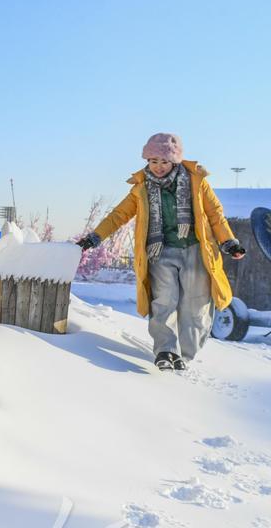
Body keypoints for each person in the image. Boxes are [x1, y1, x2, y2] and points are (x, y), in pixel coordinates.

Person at [78, 133, 245, 371]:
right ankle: (166, 350)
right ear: (147, 161)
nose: (158, 167)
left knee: (195, 304)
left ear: (174, 161)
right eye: (153, 161)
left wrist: (229, 242)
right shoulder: (141, 188)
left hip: (195, 250)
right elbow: (119, 215)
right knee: (164, 301)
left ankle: (185, 355)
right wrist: (95, 237)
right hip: (160, 252)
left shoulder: (196, 181)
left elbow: (215, 214)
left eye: (164, 161)